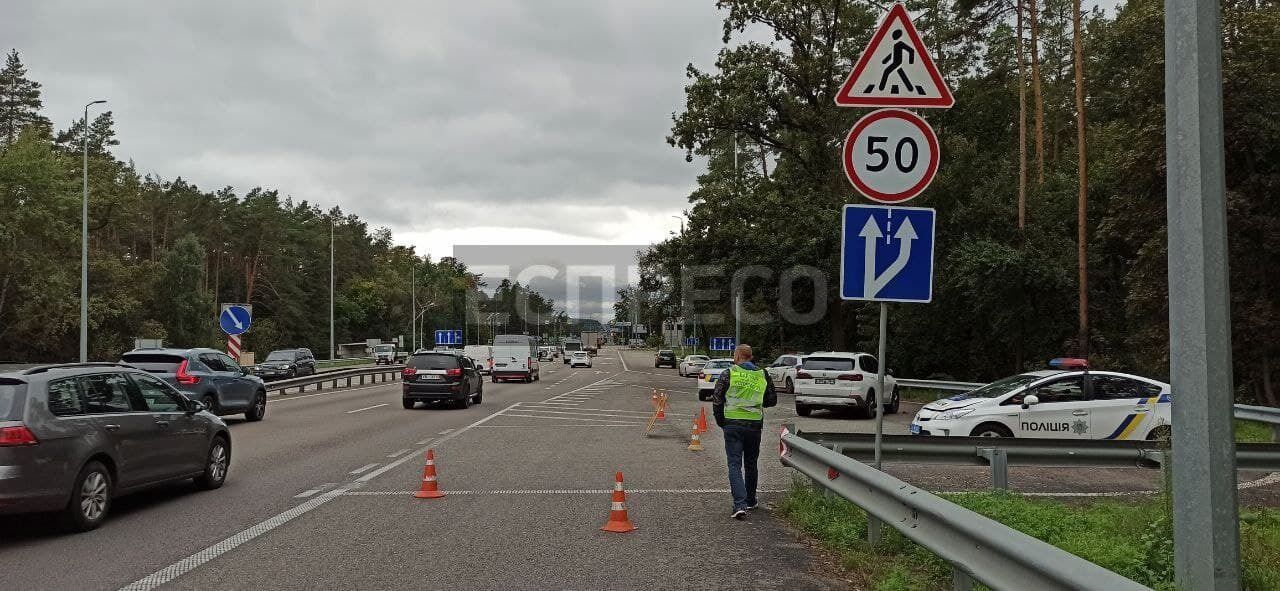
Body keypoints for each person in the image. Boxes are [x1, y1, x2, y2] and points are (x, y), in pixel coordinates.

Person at [711, 344, 777, 519]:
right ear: (751, 356)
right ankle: (751, 500)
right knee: (751, 462)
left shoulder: (729, 373)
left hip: (732, 424)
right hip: (754, 425)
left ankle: (739, 504)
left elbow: (717, 398)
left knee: (734, 463)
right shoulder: (762, 374)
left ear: (737, 356)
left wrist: (721, 421)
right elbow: (771, 400)